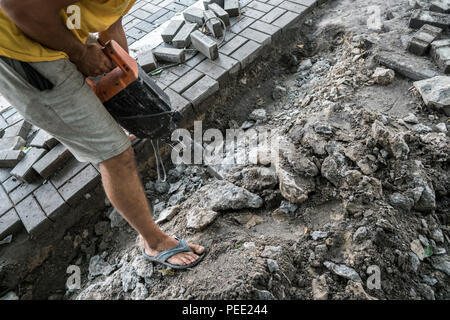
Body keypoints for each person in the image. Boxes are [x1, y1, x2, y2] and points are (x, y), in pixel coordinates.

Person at [0, 0, 205, 268]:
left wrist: (126, 90)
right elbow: (19, 6)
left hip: (56, 23)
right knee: (116, 154)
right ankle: (154, 244)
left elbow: (111, 21)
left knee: (112, 136)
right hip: (25, 51)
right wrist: (79, 53)